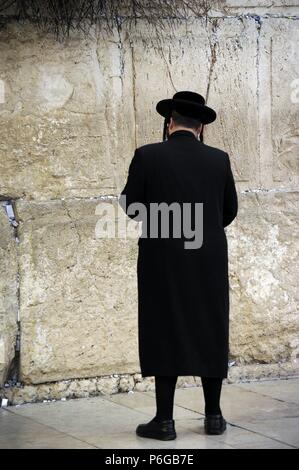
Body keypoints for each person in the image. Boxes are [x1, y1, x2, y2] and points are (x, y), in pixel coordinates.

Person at [119, 91, 238, 440]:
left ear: (169, 123)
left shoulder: (147, 155)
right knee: (210, 325)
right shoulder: (220, 160)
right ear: (200, 127)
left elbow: (131, 206)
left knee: (164, 327)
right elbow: (228, 211)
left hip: (162, 257)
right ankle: (214, 417)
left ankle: (165, 420)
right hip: (209, 257)